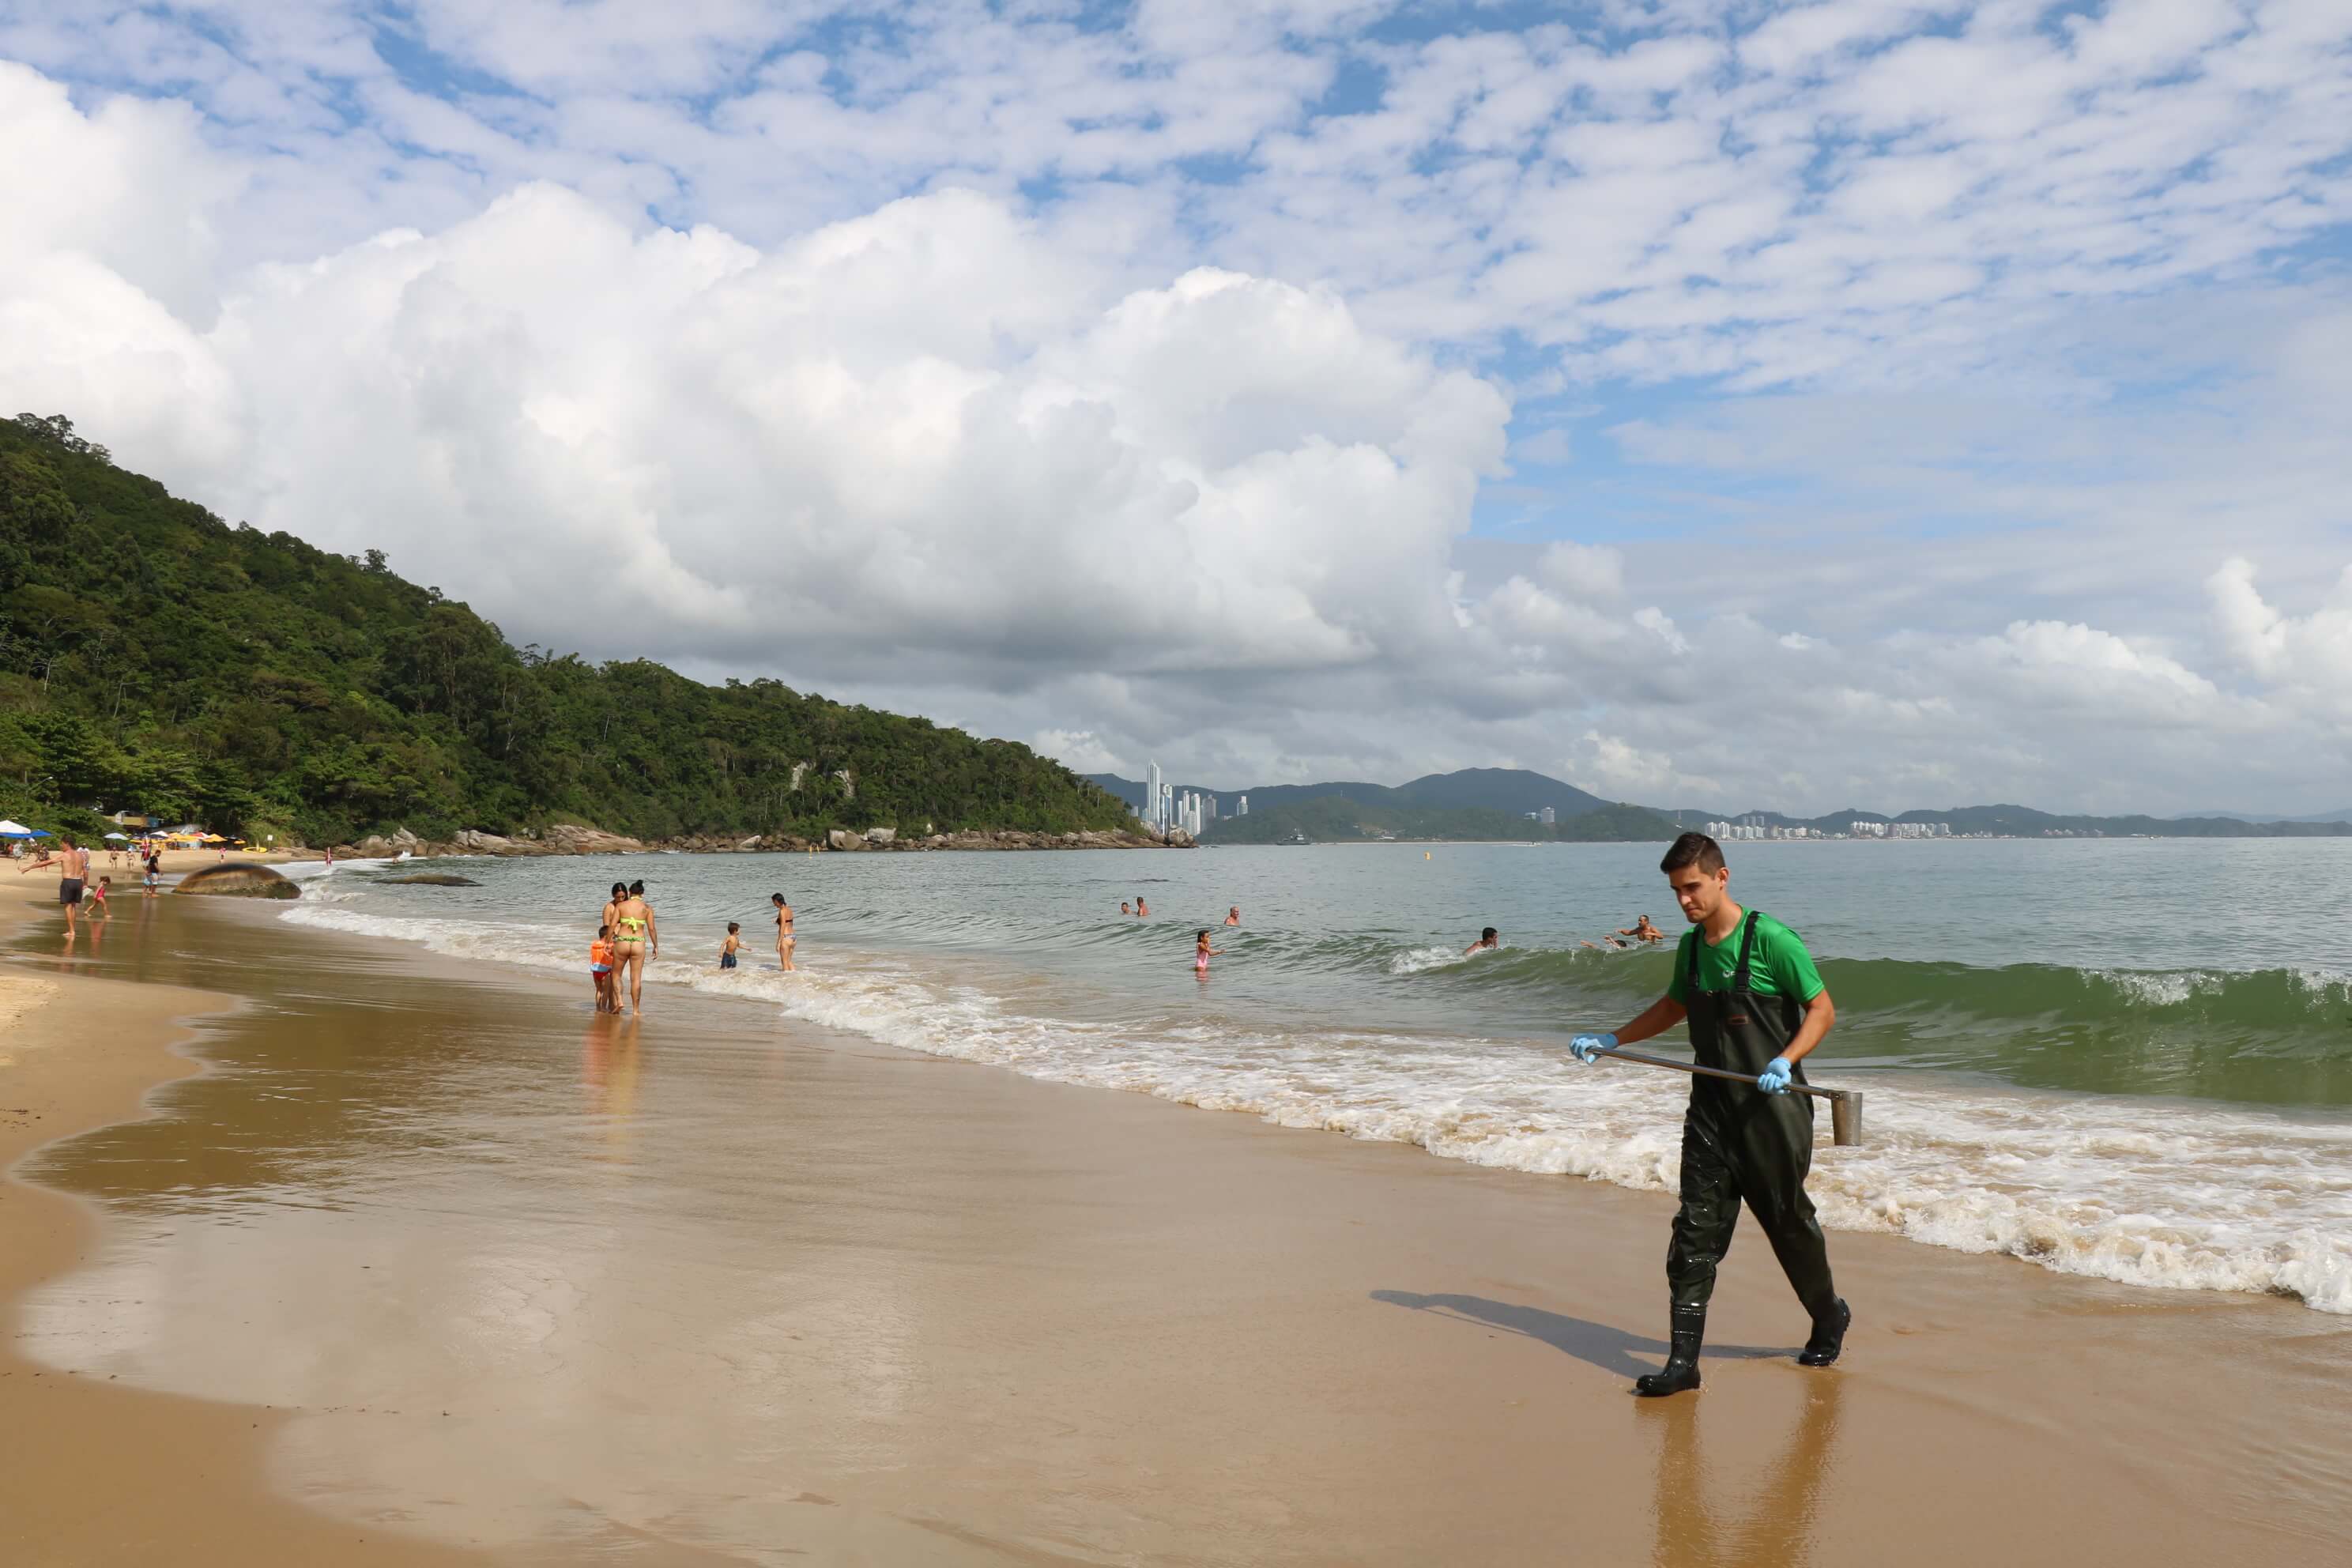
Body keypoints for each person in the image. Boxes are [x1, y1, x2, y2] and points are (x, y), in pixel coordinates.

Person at [1569, 831, 1849, 1396]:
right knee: (1694, 1232)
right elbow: (1675, 1006)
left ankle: (1829, 1314)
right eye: (1676, 891)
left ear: (1722, 877)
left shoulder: (1771, 939)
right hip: (1710, 1110)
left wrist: (1786, 1058)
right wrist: (1614, 1038)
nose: (1684, 901)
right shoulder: (1692, 947)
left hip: (1773, 1109)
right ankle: (1682, 1364)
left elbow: (1822, 1010)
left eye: (1692, 887)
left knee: (1787, 1225)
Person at [611, 880, 657, 1014]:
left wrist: (607, 941)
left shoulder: (621, 906)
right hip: (638, 942)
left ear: (629, 893)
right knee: (636, 978)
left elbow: (613, 925)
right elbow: (652, 929)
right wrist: (656, 946)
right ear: (642, 894)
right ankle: (636, 1010)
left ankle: (619, 1001)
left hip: (623, 941)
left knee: (616, 974)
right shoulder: (647, 908)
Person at [589, 926, 616, 1012]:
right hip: (604, 972)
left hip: (595, 972)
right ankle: (604, 1007)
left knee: (599, 990)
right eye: (612, 937)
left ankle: (598, 1007)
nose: (613, 939)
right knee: (606, 991)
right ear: (606, 937)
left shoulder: (594, 944)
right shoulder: (608, 946)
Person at [771, 892, 796, 972]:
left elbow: (783, 927)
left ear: (777, 901)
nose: (774, 905)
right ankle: (795, 977)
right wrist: (777, 920)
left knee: (784, 963)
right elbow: (788, 922)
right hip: (793, 937)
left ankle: (787, 981)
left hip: (785, 937)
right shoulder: (789, 909)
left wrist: (778, 942)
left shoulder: (782, 911)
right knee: (788, 961)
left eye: (774, 902)